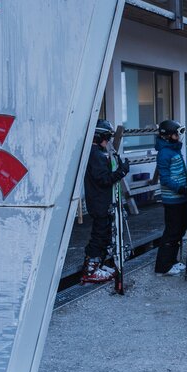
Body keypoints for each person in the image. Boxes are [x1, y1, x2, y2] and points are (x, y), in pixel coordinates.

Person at [82, 119, 130, 284]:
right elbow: (103, 179)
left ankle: (98, 265)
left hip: (101, 200)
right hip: (98, 201)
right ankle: (90, 269)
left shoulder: (97, 153)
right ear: (98, 136)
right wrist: (121, 172)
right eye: (107, 136)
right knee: (99, 235)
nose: (109, 140)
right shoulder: (95, 154)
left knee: (104, 234)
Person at [154, 119, 187, 276]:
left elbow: (180, 172)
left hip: (181, 198)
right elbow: (165, 178)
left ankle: (172, 260)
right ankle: (163, 266)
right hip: (172, 199)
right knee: (172, 231)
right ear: (167, 136)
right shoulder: (164, 153)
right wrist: (181, 188)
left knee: (181, 228)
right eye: (176, 133)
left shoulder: (174, 149)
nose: (179, 136)